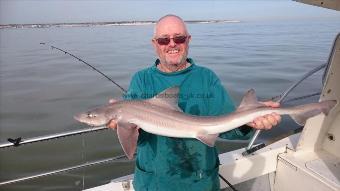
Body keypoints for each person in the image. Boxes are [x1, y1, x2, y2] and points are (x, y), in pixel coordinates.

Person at [108, 14, 281, 191]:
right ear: (154, 44)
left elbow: (230, 131)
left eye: (179, 38)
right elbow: (140, 140)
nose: (172, 44)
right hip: (154, 183)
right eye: (163, 40)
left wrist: (250, 123)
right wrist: (124, 126)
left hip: (200, 182)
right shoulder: (141, 80)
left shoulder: (206, 78)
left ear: (188, 40)